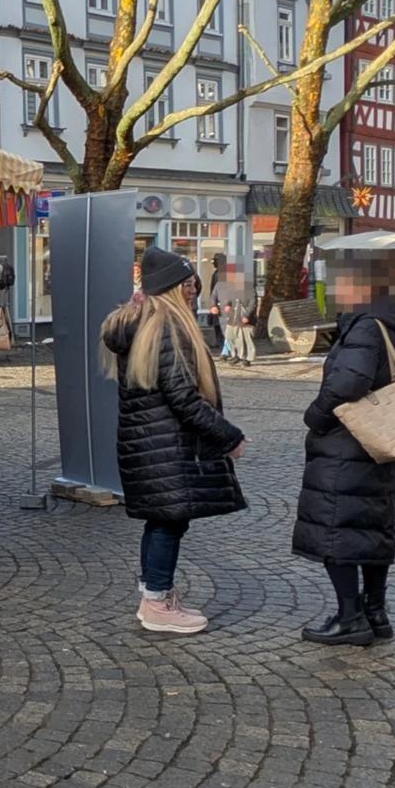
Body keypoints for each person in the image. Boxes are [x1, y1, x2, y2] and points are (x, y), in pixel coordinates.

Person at [99, 247, 248, 634]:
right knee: (168, 522)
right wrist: (229, 436)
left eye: (194, 283)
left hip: (150, 445)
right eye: (187, 284)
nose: (193, 290)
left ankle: (154, 593)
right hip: (166, 445)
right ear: (171, 289)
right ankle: (157, 602)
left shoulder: (143, 323)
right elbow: (184, 398)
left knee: (163, 520)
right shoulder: (167, 329)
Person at [293, 256, 395, 646]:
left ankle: (350, 616)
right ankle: (375, 611)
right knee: (371, 527)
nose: (337, 291)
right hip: (378, 439)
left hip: (348, 441)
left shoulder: (367, 325)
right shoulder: (393, 323)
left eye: (343, 283)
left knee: (339, 528)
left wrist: (315, 415)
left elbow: (350, 380)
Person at [210, 263, 254, 366]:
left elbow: (251, 302)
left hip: (238, 314)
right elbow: (213, 297)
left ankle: (242, 357)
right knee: (228, 335)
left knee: (241, 337)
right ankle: (234, 354)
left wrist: (246, 315)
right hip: (223, 314)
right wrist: (213, 306)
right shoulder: (219, 284)